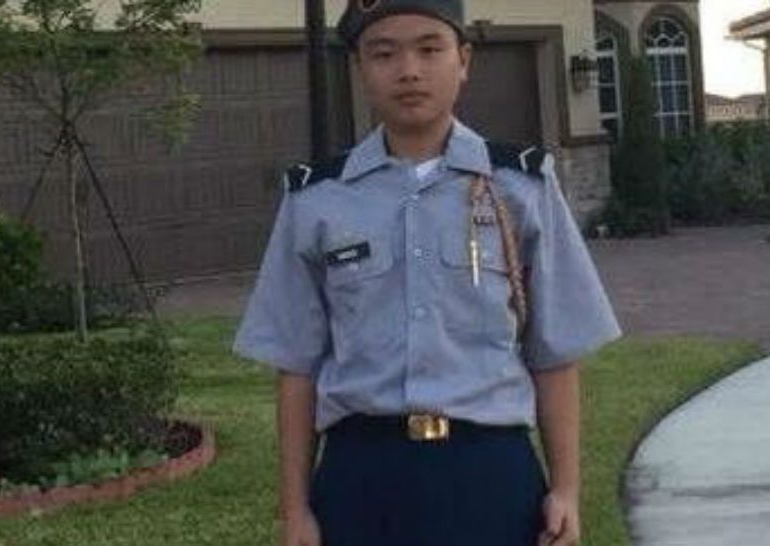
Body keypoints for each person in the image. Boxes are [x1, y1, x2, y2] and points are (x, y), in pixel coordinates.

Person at [233, 1, 621, 545]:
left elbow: (553, 353)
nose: (409, 69)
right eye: (384, 53)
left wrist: (566, 491)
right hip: (360, 475)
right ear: (360, 68)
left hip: (488, 472)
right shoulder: (317, 200)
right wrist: (296, 510)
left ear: (463, 60)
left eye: (429, 49)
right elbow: (298, 367)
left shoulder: (522, 189)